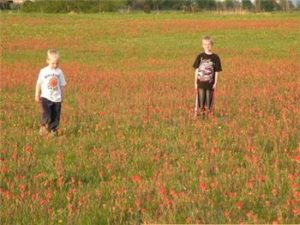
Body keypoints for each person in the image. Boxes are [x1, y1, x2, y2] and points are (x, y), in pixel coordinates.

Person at [35, 49, 67, 136]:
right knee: (46, 113)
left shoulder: (59, 72)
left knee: (56, 115)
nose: (55, 65)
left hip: (57, 98)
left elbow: (62, 85)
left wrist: (62, 96)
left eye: (57, 63)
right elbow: (38, 83)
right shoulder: (43, 71)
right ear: (47, 61)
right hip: (46, 97)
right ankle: (43, 126)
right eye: (53, 63)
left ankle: (53, 130)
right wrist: (37, 94)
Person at [193, 36, 222, 117]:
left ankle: (208, 115)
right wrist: (195, 82)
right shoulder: (200, 56)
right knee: (200, 101)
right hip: (200, 83)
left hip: (210, 83)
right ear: (202, 45)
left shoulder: (215, 57)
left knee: (209, 102)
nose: (207, 46)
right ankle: (200, 115)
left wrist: (215, 83)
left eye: (209, 44)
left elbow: (216, 72)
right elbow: (196, 70)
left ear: (212, 45)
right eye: (205, 44)